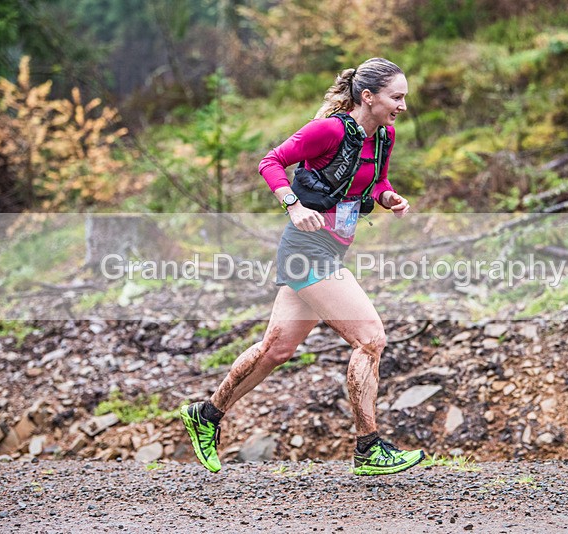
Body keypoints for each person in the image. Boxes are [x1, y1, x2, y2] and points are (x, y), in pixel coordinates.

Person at [180, 57, 425, 476]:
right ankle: (368, 447)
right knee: (370, 338)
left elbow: (377, 182)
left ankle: (207, 414)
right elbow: (270, 162)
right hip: (307, 250)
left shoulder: (384, 135)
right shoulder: (327, 130)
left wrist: (389, 198)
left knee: (276, 350)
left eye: (404, 97)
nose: (402, 105)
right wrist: (293, 206)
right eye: (396, 97)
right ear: (368, 96)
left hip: (331, 249)